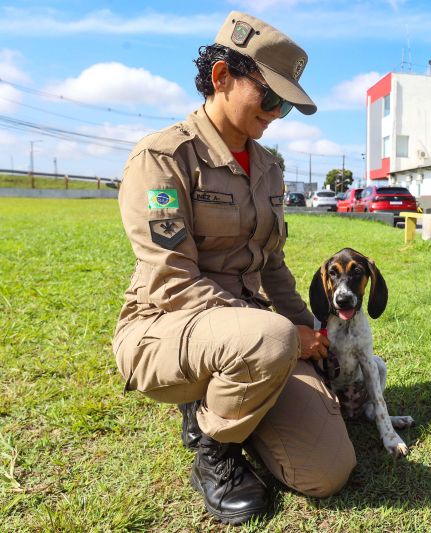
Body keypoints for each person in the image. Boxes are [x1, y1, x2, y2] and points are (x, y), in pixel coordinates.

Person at [112, 11, 356, 525]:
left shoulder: (269, 168)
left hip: (255, 334)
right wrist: (285, 334)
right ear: (221, 77)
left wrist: (312, 334)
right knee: (267, 340)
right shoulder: (163, 157)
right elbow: (171, 278)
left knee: (329, 471)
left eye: (285, 105)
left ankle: (238, 395)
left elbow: (274, 267)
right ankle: (213, 445)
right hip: (165, 326)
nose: (275, 112)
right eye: (269, 97)